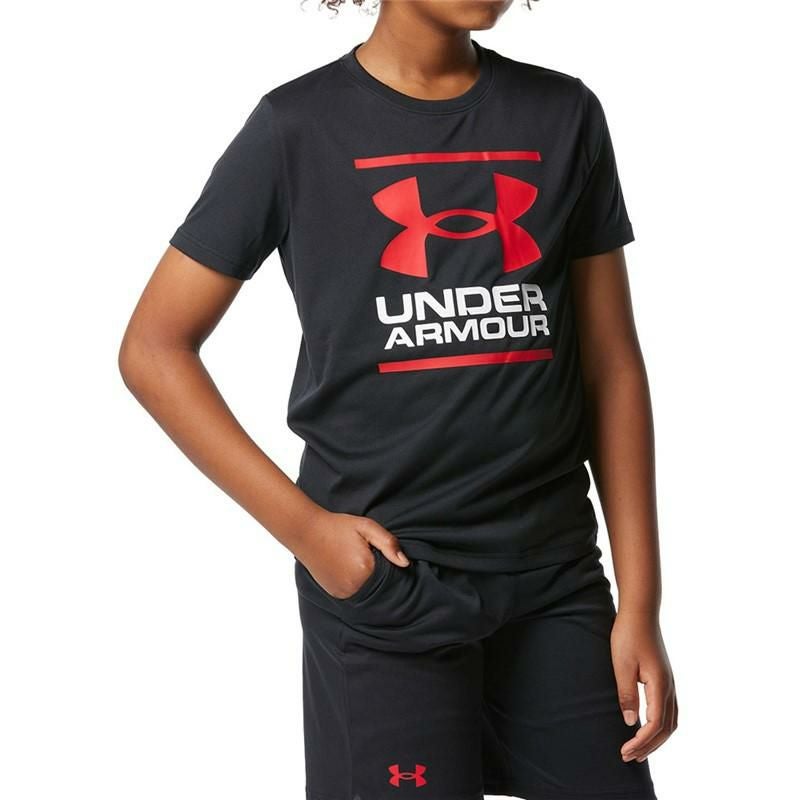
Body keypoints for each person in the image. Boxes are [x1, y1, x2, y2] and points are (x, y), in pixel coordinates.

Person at [119, 1, 678, 798]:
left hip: (555, 582)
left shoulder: (564, 115)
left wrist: (640, 600)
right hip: (390, 584)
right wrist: (310, 534)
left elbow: (611, 367)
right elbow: (153, 348)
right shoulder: (296, 128)